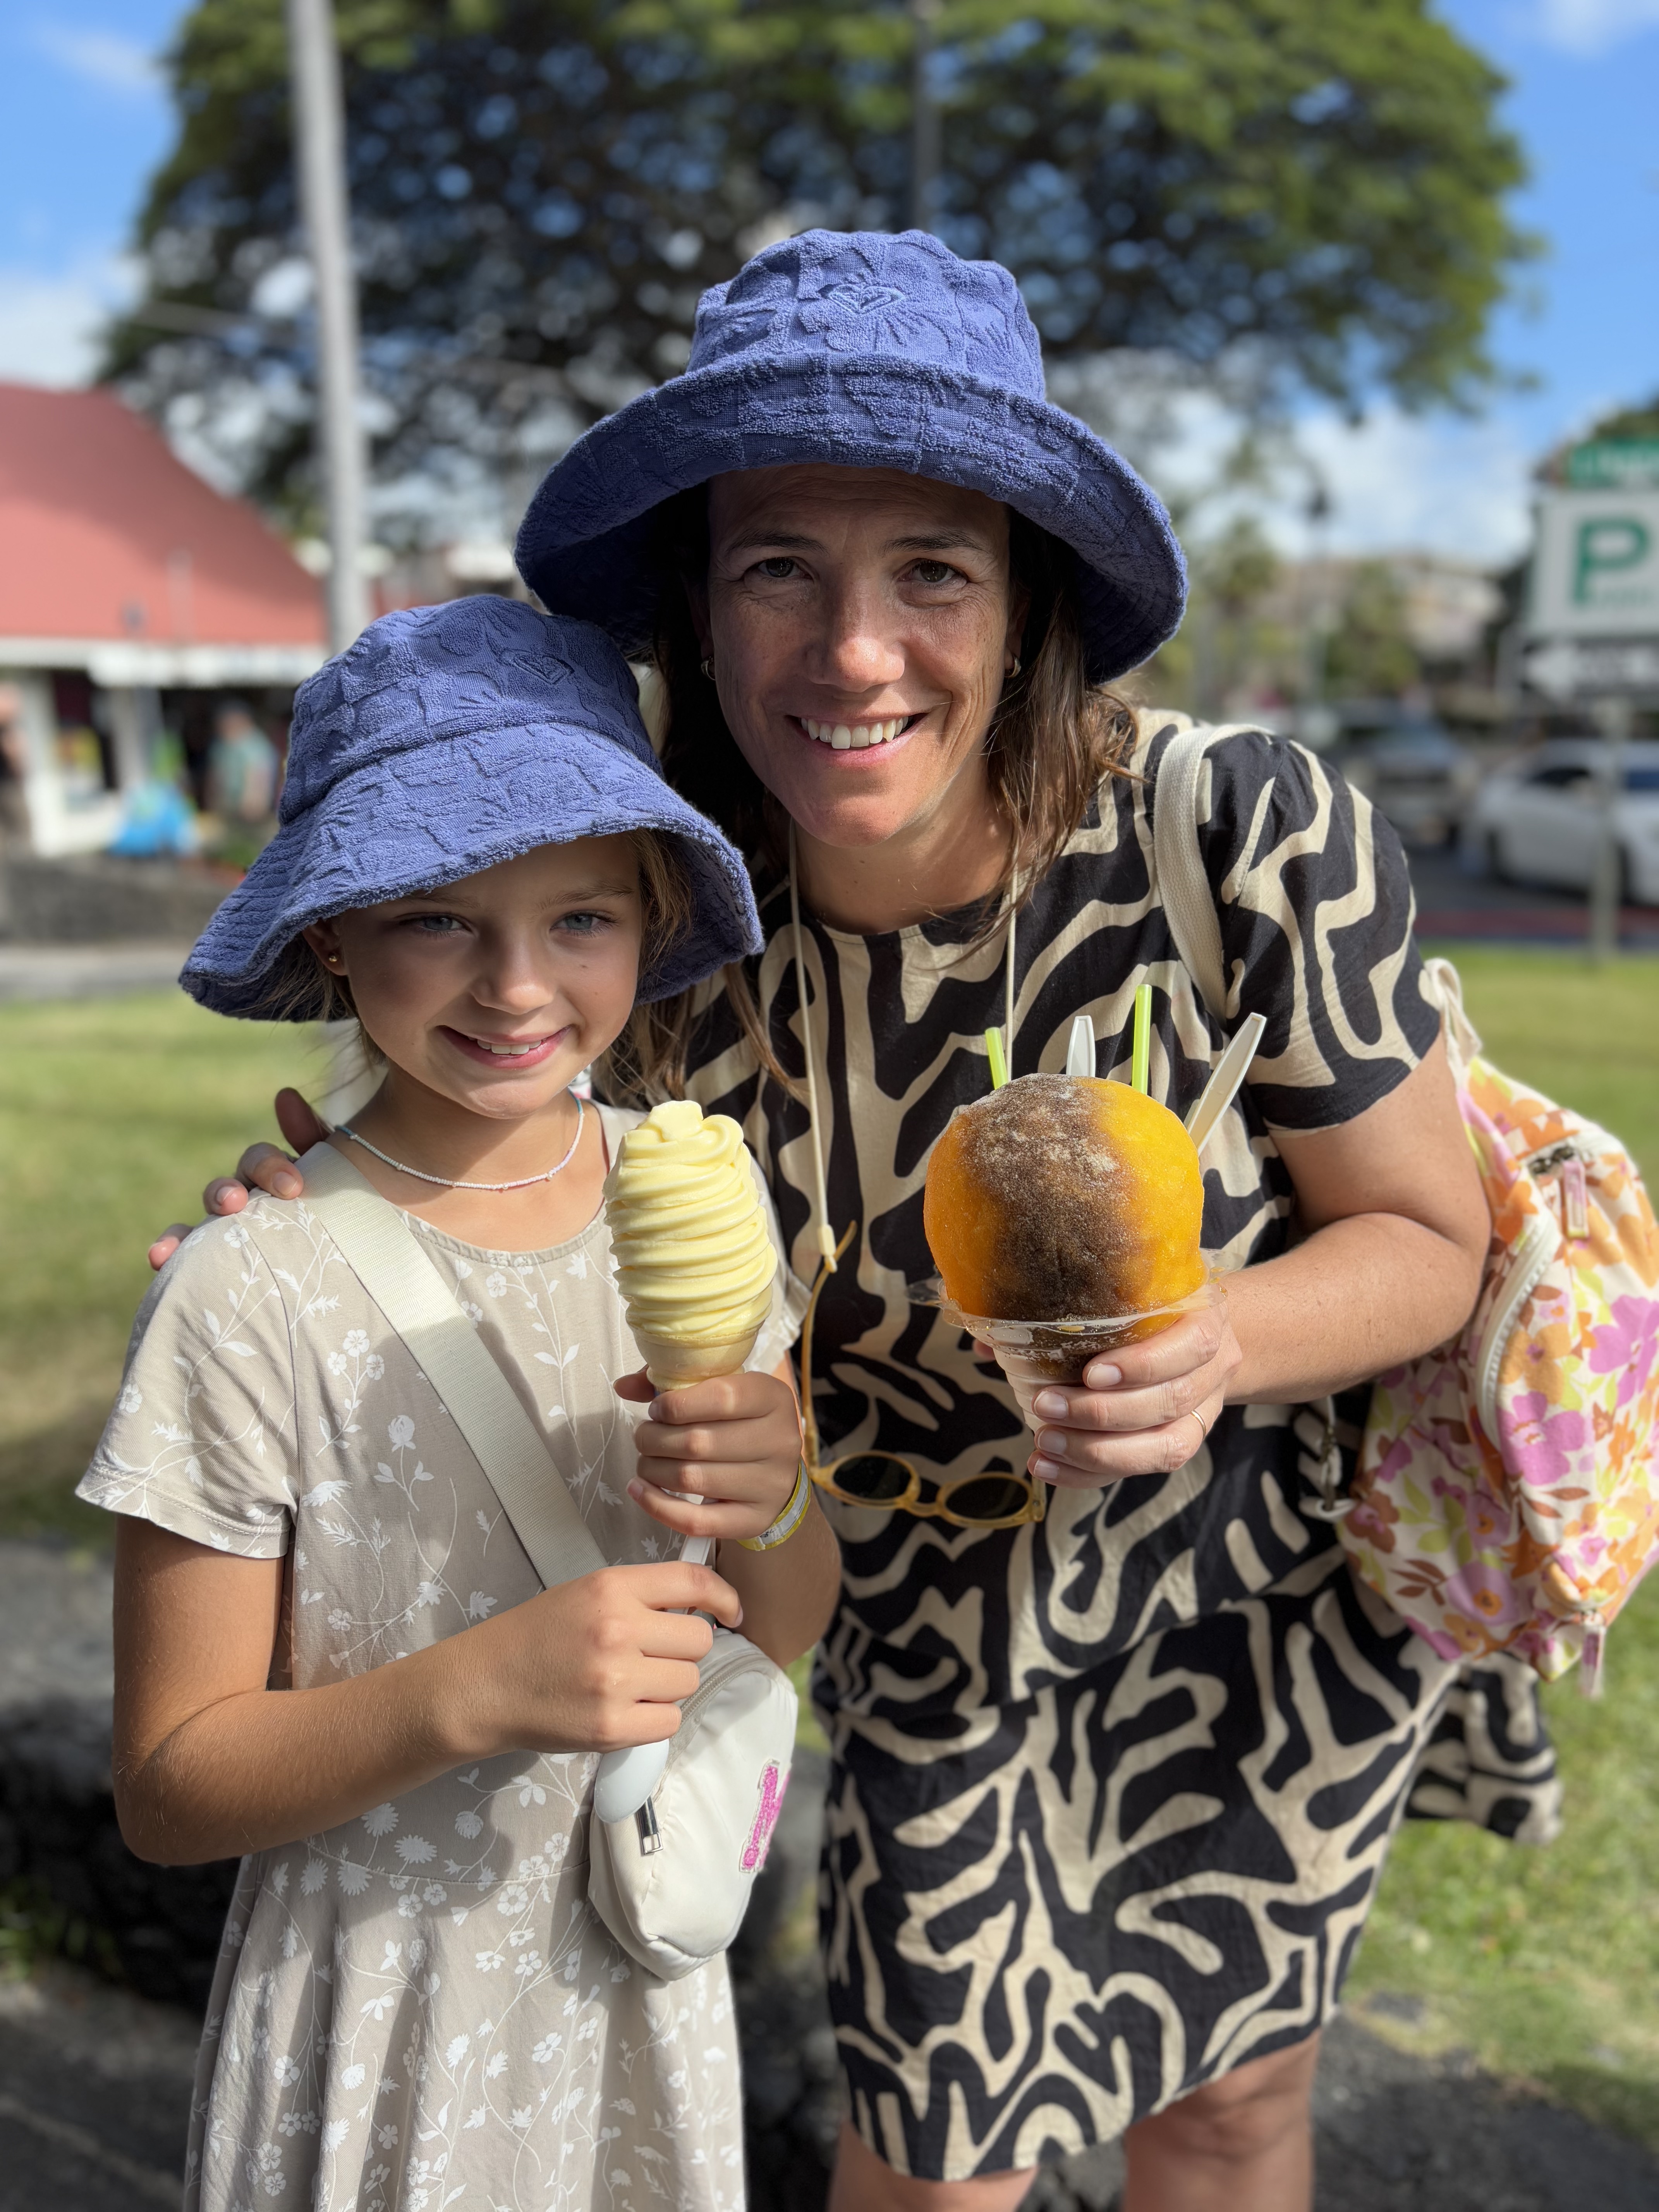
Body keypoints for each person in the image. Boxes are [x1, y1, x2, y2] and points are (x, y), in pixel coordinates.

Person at [156, 233, 1496, 2212]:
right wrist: (323, 1207)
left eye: (931, 573)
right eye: (781, 565)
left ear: (1024, 602)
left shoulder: (1242, 830)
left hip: (1249, 1614)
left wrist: (1224, 1338)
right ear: (700, 607)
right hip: (907, 1635)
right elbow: (496, 1120)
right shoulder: (672, 918)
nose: (856, 653)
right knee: (931, 2156)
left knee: (1224, 2111)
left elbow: (1425, 1237)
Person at [94, 595, 840, 2212]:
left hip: (639, 1986)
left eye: (580, 920)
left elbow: (776, 1625)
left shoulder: (694, 1196)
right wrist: (473, 1691)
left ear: (652, 921)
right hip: (380, 2021)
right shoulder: (250, 1289)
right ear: (330, 937)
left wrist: (776, 1482)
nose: (516, 988)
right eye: (438, 920)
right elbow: (168, 1787)